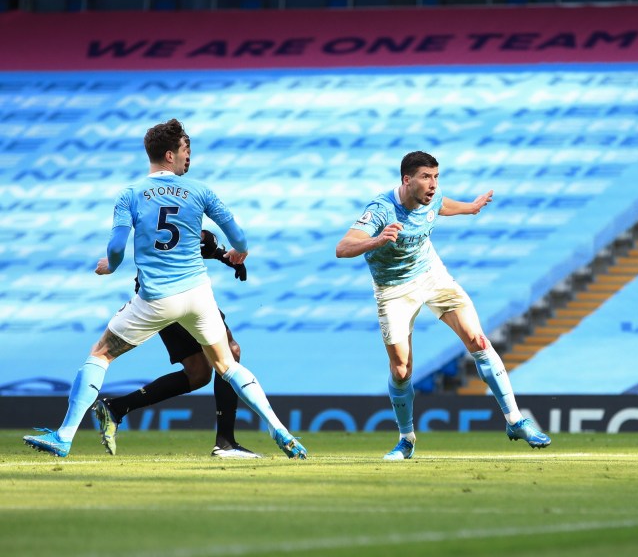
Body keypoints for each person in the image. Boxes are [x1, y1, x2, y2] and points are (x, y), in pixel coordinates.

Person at [23, 119, 307, 460]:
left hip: (158, 297)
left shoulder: (130, 194)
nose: (189, 157)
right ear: (170, 155)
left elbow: (116, 248)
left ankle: (65, 435)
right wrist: (236, 252)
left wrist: (109, 266)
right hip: (198, 295)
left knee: (101, 354)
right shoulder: (200, 192)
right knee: (226, 364)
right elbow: (240, 238)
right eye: (186, 150)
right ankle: (279, 429)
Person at [335, 151, 551, 460]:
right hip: (393, 289)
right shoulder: (381, 209)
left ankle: (515, 420)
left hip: (431, 275)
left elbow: (442, 205)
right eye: (426, 177)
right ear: (406, 180)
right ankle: (406, 439)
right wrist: (378, 240)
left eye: (436, 177)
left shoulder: (430, 197)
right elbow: (342, 248)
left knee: (477, 340)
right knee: (400, 369)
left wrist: (471, 208)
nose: (433, 184)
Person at [93, 230, 261, 459]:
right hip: (180, 295)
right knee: (230, 351)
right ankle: (226, 443)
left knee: (198, 373)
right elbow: (192, 241)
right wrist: (224, 253)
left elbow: (194, 243)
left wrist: (223, 256)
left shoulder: (165, 210)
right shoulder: (182, 207)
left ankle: (117, 407)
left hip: (157, 295)